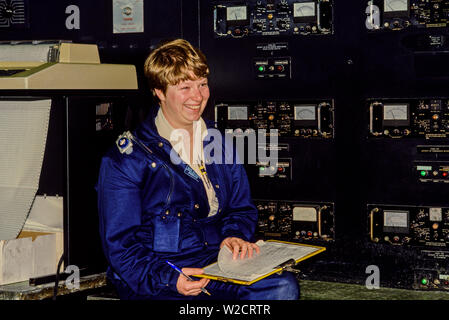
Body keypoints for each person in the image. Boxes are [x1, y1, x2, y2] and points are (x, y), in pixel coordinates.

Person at [96, 38, 299, 300]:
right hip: (157, 268)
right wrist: (169, 279)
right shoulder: (126, 158)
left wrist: (233, 236)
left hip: (213, 260)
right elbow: (120, 247)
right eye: (185, 87)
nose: (198, 96)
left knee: (281, 286)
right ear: (159, 91)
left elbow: (240, 208)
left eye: (202, 84)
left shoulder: (219, 141)